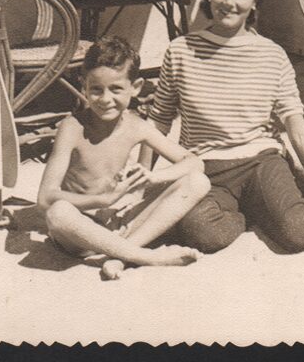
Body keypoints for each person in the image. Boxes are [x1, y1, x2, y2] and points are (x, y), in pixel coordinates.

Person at [146, 0, 304, 254]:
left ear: (254, 1)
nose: (230, 2)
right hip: (204, 168)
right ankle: (255, 211)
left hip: (260, 162)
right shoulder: (180, 51)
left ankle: (290, 203)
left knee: (298, 233)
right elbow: (156, 122)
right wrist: (143, 181)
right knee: (200, 233)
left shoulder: (272, 55)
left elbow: (297, 127)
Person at [38, 36, 211, 280]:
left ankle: (119, 256)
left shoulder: (136, 125)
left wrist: (153, 176)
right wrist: (104, 199)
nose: (106, 99)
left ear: (136, 87)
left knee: (197, 181)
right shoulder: (72, 127)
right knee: (58, 212)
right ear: (84, 85)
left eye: (116, 89)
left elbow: (195, 162)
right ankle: (145, 257)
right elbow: (45, 198)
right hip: (79, 232)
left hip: (119, 224)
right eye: (96, 90)